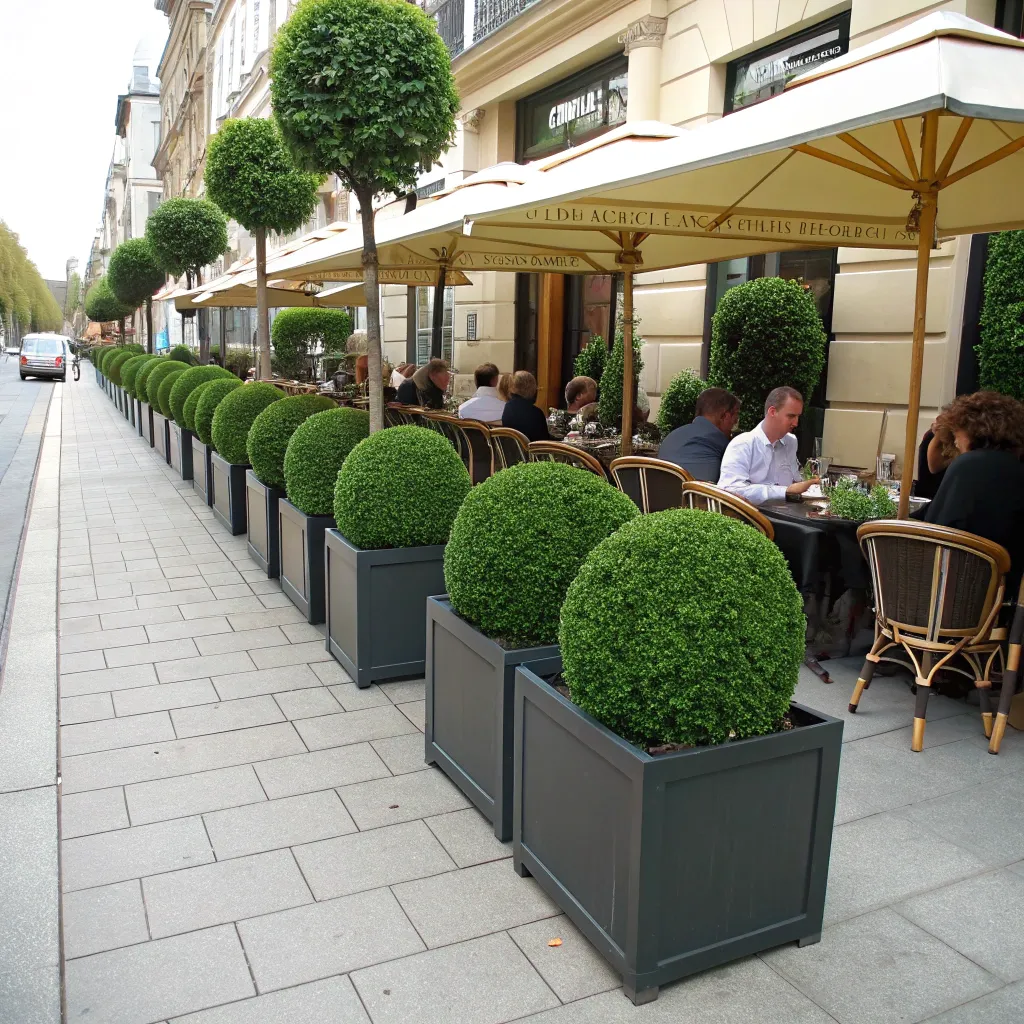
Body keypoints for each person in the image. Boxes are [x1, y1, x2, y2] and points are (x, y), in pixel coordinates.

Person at [919, 390, 1024, 590]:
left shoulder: (969, 464)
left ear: (974, 429)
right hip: (1005, 587)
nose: (956, 441)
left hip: (959, 591)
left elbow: (937, 527)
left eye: (957, 432)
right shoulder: (1014, 466)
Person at [718, 385, 818, 504]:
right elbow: (730, 490)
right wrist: (785, 491)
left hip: (789, 513)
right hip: (753, 517)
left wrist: (810, 484)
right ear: (772, 411)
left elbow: (795, 481)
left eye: (798, 416)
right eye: (791, 416)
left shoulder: (791, 441)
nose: (796, 423)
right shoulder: (743, 444)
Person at [659, 388, 741, 482]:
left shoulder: (672, 435)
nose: (736, 421)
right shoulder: (721, 442)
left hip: (657, 494)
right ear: (725, 416)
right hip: (701, 495)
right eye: (736, 414)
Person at [501, 370, 549, 442]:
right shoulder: (536, 413)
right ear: (531, 388)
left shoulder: (508, 407)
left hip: (512, 450)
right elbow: (544, 441)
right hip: (532, 451)